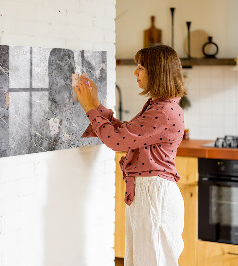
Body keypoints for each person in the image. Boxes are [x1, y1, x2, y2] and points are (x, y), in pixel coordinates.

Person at [74, 44, 186, 266]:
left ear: (157, 72)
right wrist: (95, 103)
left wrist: (89, 108)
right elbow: (125, 133)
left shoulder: (163, 111)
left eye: (141, 67)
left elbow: (117, 141)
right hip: (149, 193)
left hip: (154, 195)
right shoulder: (159, 106)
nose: (135, 72)